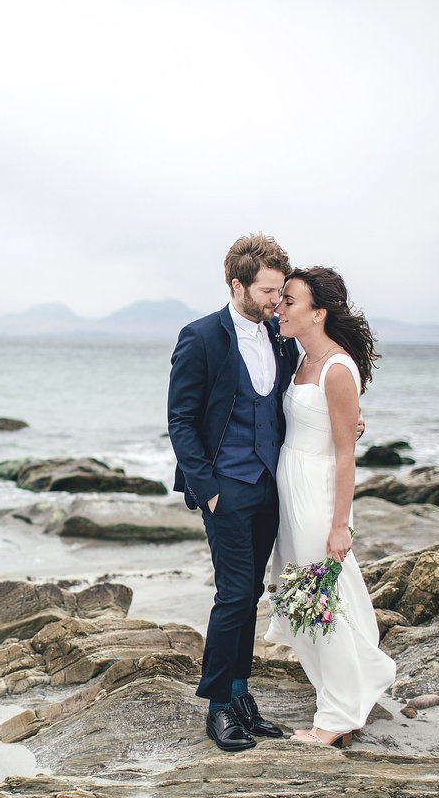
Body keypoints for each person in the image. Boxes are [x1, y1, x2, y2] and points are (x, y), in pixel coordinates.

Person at [167, 234, 298, 751]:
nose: (275, 300)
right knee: (234, 595)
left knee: (250, 601)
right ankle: (219, 707)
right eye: (267, 291)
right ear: (237, 284)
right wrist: (208, 488)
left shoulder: (280, 337)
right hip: (226, 487)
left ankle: (242, 694)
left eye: (280, 291)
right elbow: (180, 420)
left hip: (268, 486)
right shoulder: (201, 337)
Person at [264, 266, 396, 747]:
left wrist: (341, 526)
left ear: (318, 313)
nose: (280, 307)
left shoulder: (338, 368)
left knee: (320, 603)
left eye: (290, 301)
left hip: (318, 497)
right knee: (301, 599)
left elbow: (346, 454)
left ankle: (337, 718)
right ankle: (349, 689)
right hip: (291, 493)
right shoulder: (299, 361)